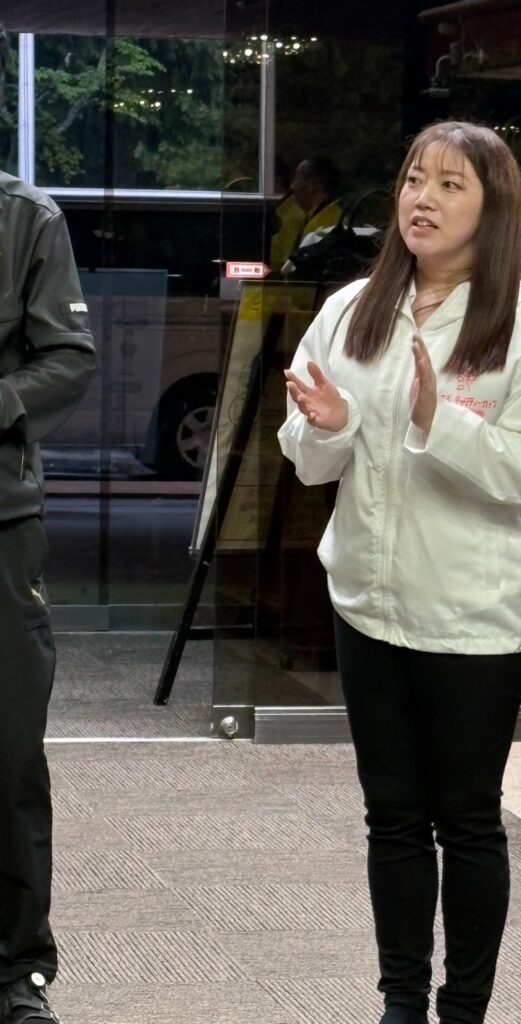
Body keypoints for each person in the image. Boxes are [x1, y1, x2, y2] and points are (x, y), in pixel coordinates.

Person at [278, 121, 521, 1024]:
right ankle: (402, 1002)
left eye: (450, 185)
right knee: (393, 816)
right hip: (368, 603)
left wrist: (435, 418)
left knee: (468, 820)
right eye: (414, 180)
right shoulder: (350, 311)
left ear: (494, 208)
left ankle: (465, 1009)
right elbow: (308, 461)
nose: (423, 200)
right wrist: (329, 427)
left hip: (472, 615)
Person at [0, 172, 96, 1024]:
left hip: (0, 524)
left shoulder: (25, 217)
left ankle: (17, 972)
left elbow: (69, 358)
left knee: (9, 754)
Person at [270, 155, 343, 272]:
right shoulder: (322, 217)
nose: (292, 187)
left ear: (313, 185)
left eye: (296, 179)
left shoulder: (326, 225)